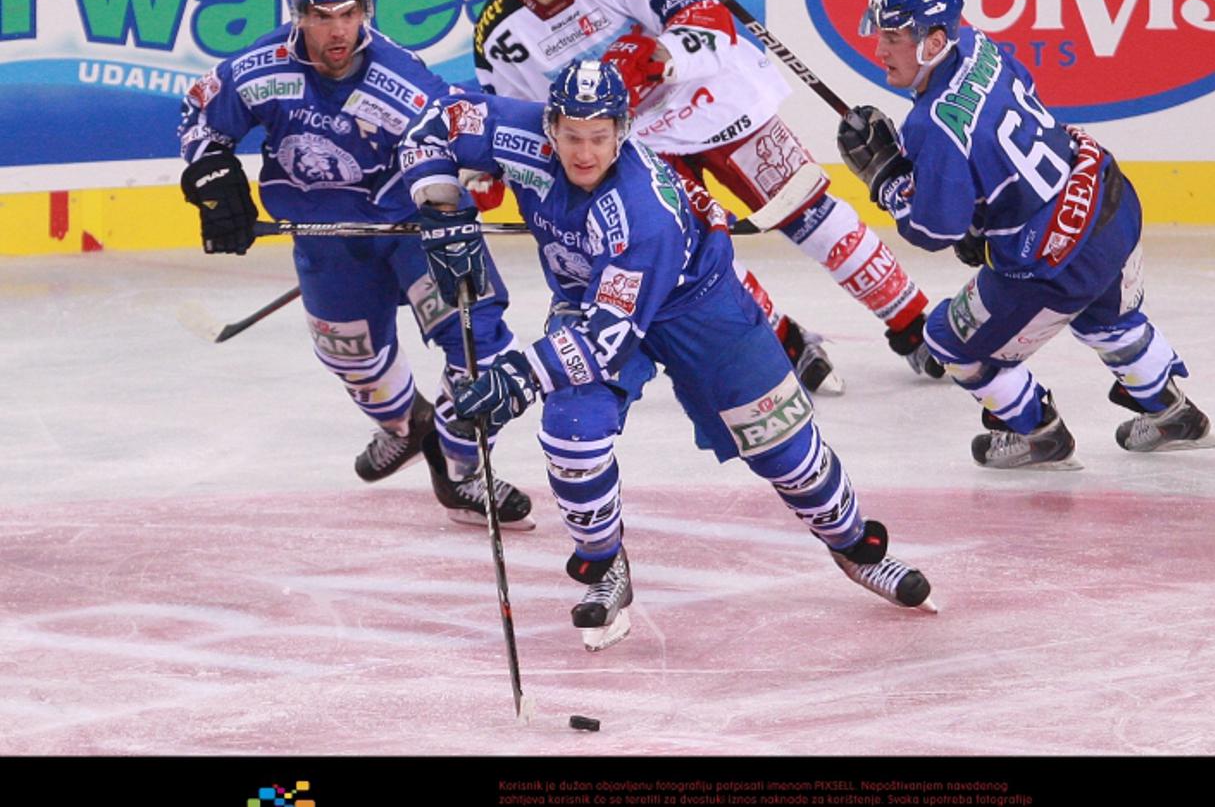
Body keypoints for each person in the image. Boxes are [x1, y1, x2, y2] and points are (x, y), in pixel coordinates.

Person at [399, 59, 937, 652]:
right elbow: (430, 123)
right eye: (572, 136)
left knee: (787, 450)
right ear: (550, 126)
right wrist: (442, 207)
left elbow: (606, 341)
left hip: (699, 306)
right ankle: (604, 568)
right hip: (588, 298)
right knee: (571, 433)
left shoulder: (639, 212)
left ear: (622, 131)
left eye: (599, 137)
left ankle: (855, 546)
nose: (583, 152)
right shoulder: (517, 131)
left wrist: (517, 378)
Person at [468, 0, 947, 390]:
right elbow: (528, 120)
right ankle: (783, 340)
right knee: (698, 254)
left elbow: (710, 19)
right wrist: (491, 168)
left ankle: (913, 324)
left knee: (808, 210)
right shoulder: (497, 34)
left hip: (713, 99)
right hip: (634, 147)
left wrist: (658, 59)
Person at [177, 0, 533, 526]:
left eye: (348, 13)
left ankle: (459, 464)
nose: (338, 30)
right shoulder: (259, 68)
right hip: (325, 238)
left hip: (414, 228)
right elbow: (201, 118)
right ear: (299, 14)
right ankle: (407, 425)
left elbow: (447, 134)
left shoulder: (402, 76)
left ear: (365, 9)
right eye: (321, 15)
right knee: (356, 362)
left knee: (478, 339)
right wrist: (213, 177)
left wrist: (454, 187)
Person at [837, 0, 1215, 468]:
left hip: (1056, 260)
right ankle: (1174, 412)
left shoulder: (932, 126)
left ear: (934, 41)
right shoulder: (977, 44)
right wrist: (986, 220)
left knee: (949, 345)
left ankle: (1038, 433)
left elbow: (935, 230)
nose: (880, 50)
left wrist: (886, 177)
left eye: (893, 38)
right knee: (1109, 321)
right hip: (1108, 200)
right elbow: (999, 138)